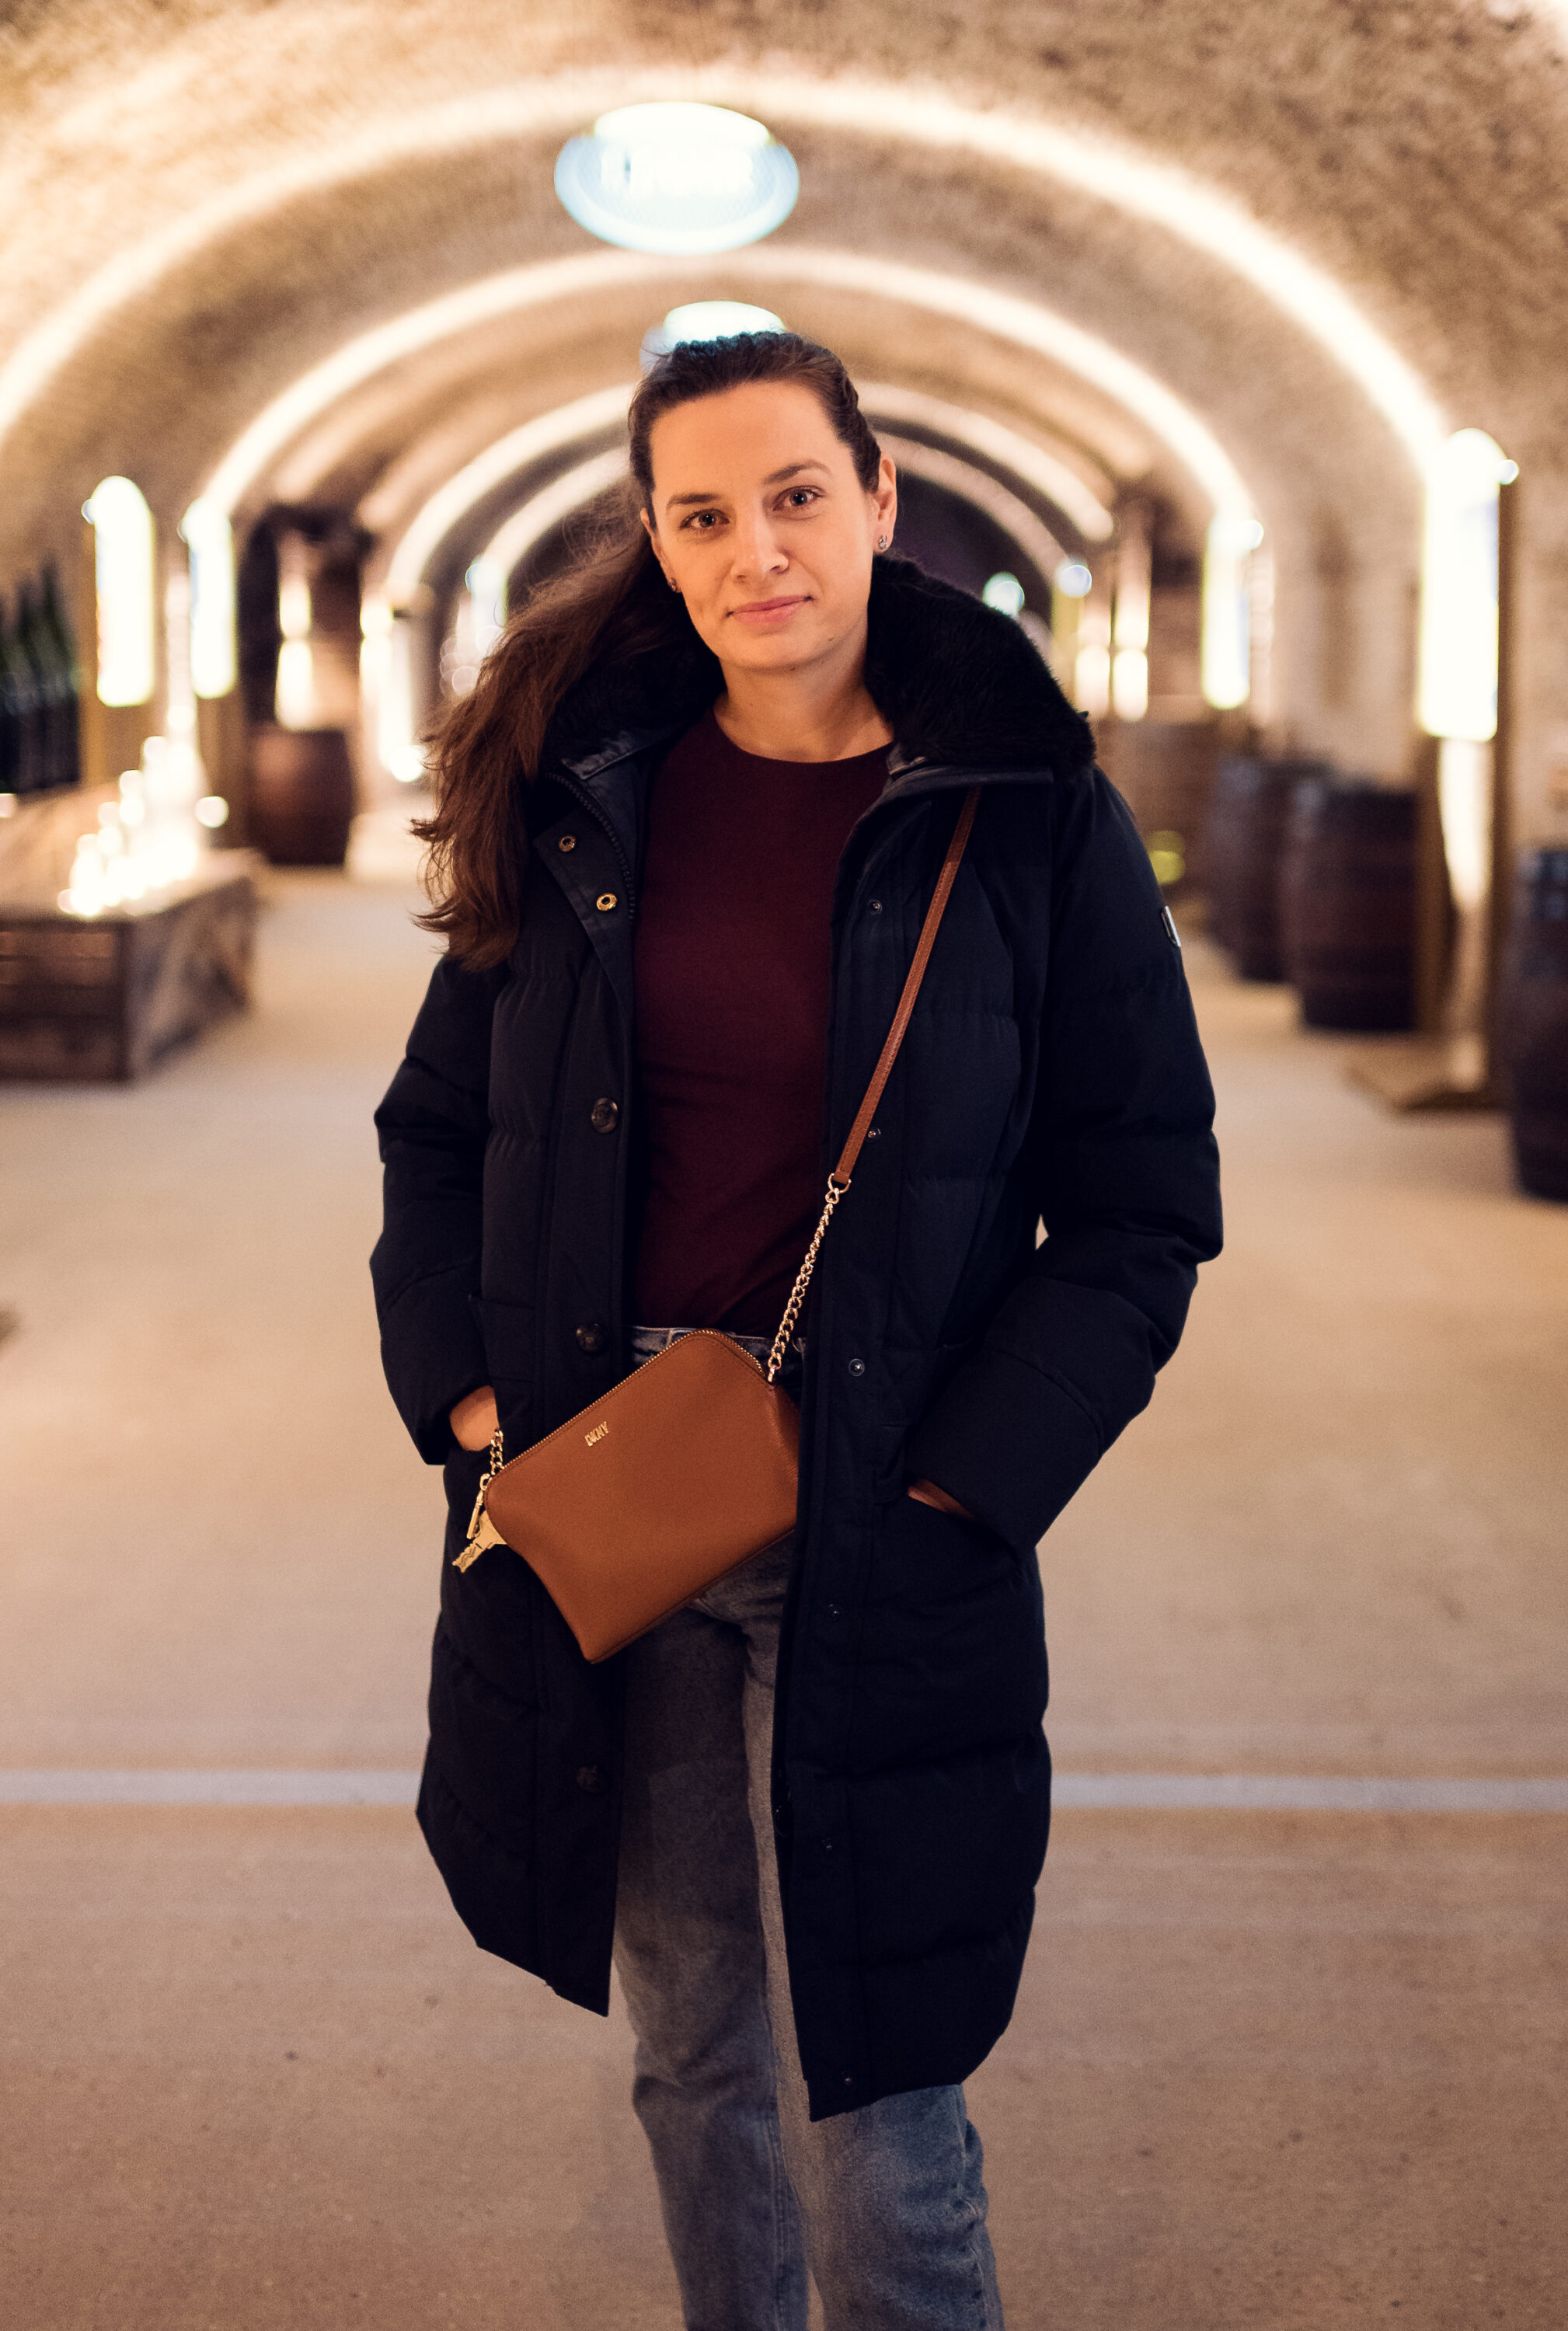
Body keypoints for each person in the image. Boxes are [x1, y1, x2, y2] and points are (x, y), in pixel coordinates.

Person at [371, 329, 1221, 2329]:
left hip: (878, 1504)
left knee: (882, 2095)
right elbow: (437, 1128)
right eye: (703, 515)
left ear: (878, 503)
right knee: (691, 2050)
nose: (757, 550)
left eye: (794, 496)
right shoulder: (584, 804)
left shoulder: (1025, 819)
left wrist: (961, 1479)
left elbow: (1138, 1207)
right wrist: (482, 1401)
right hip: (607, 1490)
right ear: (658, 549)